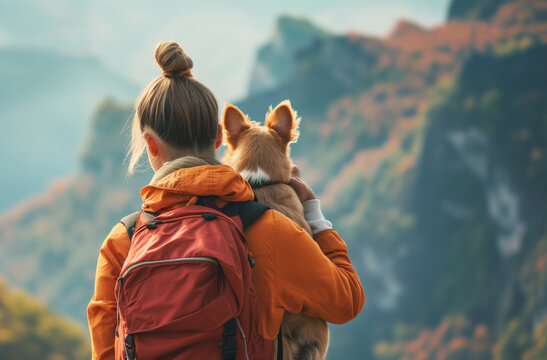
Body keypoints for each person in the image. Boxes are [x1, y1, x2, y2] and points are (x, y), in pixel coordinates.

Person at [87, 41, 364, 359]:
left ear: (150, 145)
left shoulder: (123, 240)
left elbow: (106, 352)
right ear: (219, 137)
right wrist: (313, 212)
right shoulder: (268, 228)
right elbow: (347, 301)